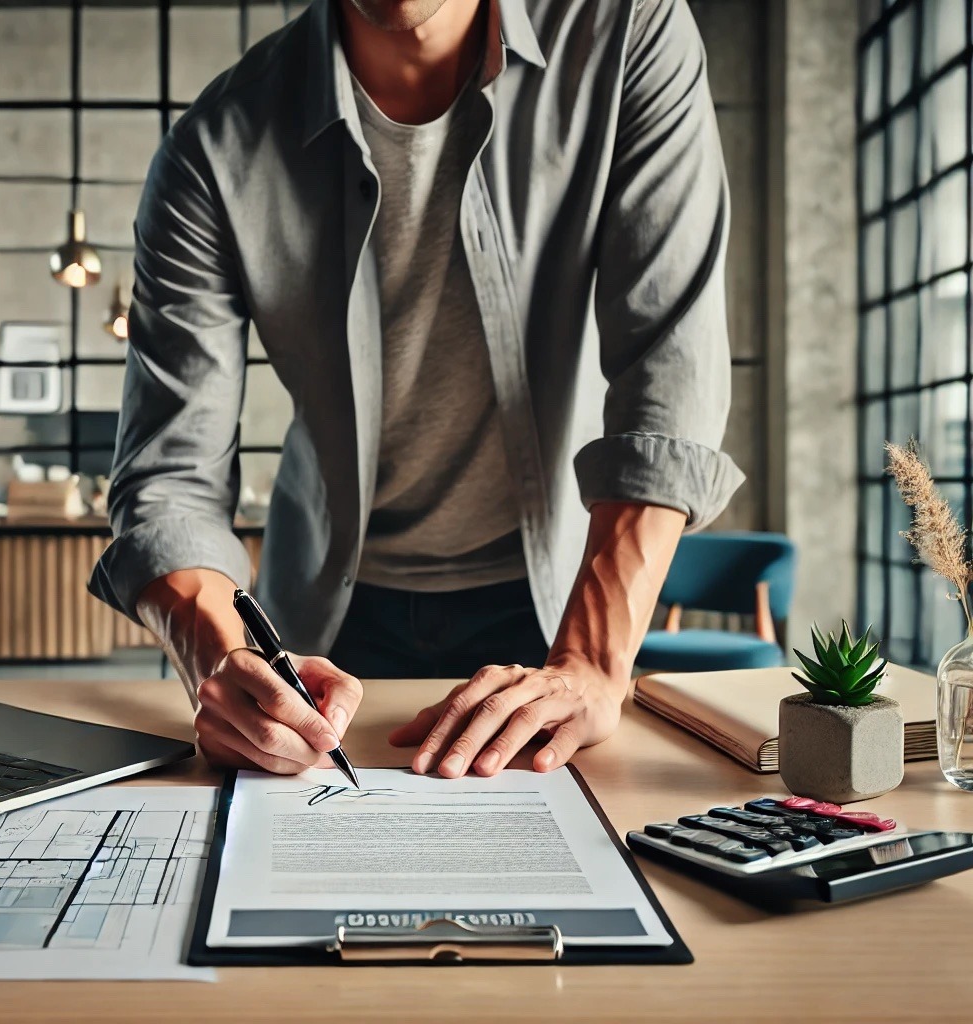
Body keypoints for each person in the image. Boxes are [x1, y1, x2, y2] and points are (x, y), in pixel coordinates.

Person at [89, 0, 743, 781]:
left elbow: (671, 362)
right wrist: (220, 657)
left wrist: (592, 659)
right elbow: (169, 480)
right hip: (323, 632)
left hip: (563, 599)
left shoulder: (629, 32)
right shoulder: (211, 150)